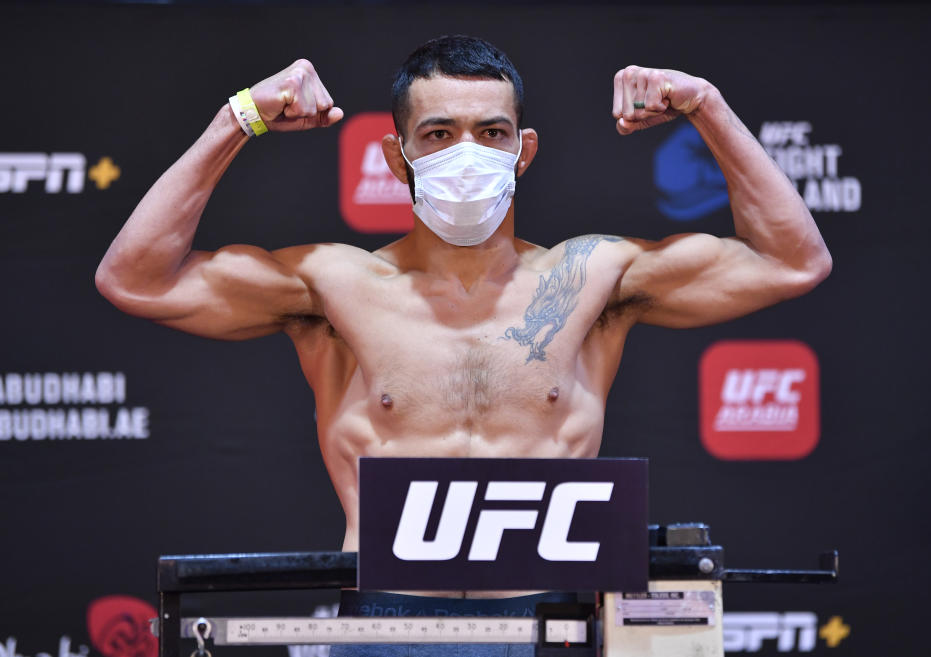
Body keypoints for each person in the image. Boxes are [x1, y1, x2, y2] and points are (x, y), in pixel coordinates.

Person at [95, 35, 831, 654]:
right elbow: (136, 278)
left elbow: (793, 261)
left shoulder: (590, 277)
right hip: (386, 617)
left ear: (524, 150)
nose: (467, 153)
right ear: (396, 155)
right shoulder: (334, 285)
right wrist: (243, 115)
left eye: (492, 132)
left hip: (556, 613)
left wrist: (705, 104)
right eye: (439, 134)